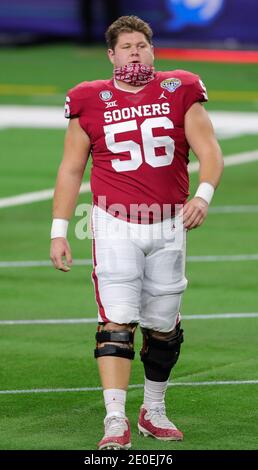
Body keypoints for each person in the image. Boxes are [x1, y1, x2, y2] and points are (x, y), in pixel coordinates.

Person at [50, 15, 223, 450]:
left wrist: (202, 195)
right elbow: (72, 169)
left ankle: (153, 409)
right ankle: (114, 419)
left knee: (164, 327)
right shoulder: (90, 99)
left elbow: (209, 150)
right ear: (111, 54)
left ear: (153, 50)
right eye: (126, 46)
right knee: (117, 323)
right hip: (113, 222)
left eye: (141, 45)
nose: (134, 52)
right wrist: (58, 230)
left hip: (169, 222)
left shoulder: (179, 89)